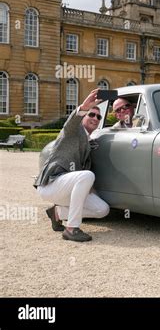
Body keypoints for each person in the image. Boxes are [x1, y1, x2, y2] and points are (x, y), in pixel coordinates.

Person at [34, 88, 110, 242]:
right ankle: (72, 229)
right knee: (87, 175)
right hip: (51, 183)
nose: (95, 118)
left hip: (66, 188)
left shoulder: (90, 141)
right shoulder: (72, 131)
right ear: (84, 117)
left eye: (98, 116)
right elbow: (71, 122)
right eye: (91, 114)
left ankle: (58, 213)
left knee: (102, 210)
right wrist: (84, 107)